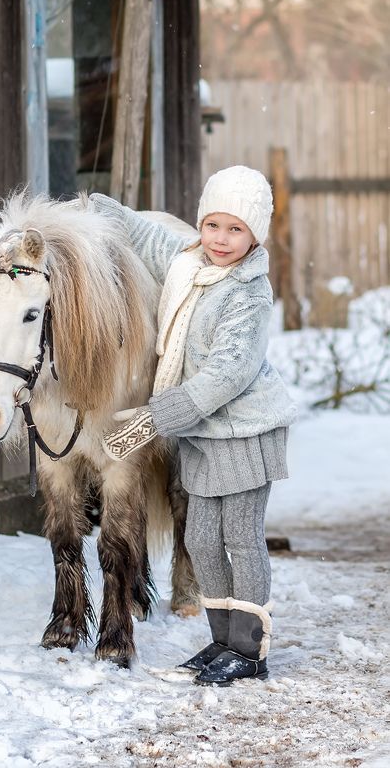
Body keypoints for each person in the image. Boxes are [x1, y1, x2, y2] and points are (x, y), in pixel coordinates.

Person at [90, 165, 297, 686]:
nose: (221, 240)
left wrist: (152, 418)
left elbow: (225, 376)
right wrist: (101, 207)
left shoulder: (248, 294)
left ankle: (249, 651)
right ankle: (222, 641)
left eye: (235, 230)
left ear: (254, 236)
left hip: (245, 432)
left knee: (241, 538)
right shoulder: (188, 263)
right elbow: (148, 235)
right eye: (212, 226)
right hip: (202, 435)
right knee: (203, 539)